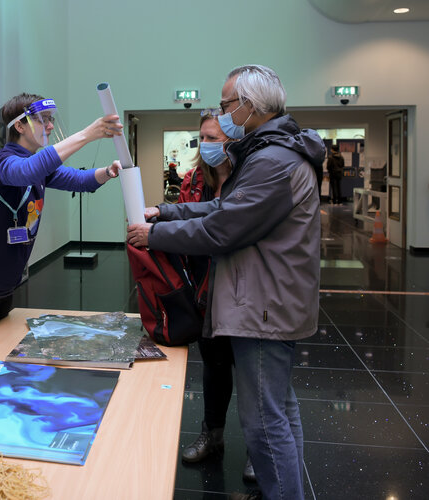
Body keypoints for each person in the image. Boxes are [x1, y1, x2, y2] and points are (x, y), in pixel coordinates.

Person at [127, 65, 324, 500]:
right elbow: (225, 208)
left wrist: (153, 233)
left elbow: (223, 228)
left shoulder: (272, 161)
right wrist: (171, 212)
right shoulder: (273, 152)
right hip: (273, 299)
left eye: (226, 104)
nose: (222, 112)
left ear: (251, 107)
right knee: (281, 411)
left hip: (263, 307)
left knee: (264, 422)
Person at [0, 93, 122, 347]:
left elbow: (78, 180)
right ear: (19, 126)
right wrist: (88, 134)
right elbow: (27, 171)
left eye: (51, 119)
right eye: (43, 120)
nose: (50, 126)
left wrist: (108, 172)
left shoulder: (40, 167)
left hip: (3, 286)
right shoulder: (2, 162)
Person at [162, 109, 255, 482]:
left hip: (246, 291)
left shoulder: (250, 178)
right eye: (203, 137)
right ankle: (212, 436)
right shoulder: (192, 181)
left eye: (214, 137)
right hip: (205, 290)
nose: (207, 145)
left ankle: (257, 450)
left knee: (252, 376)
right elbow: (188, 226)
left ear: (233, 140)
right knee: (214, 371)